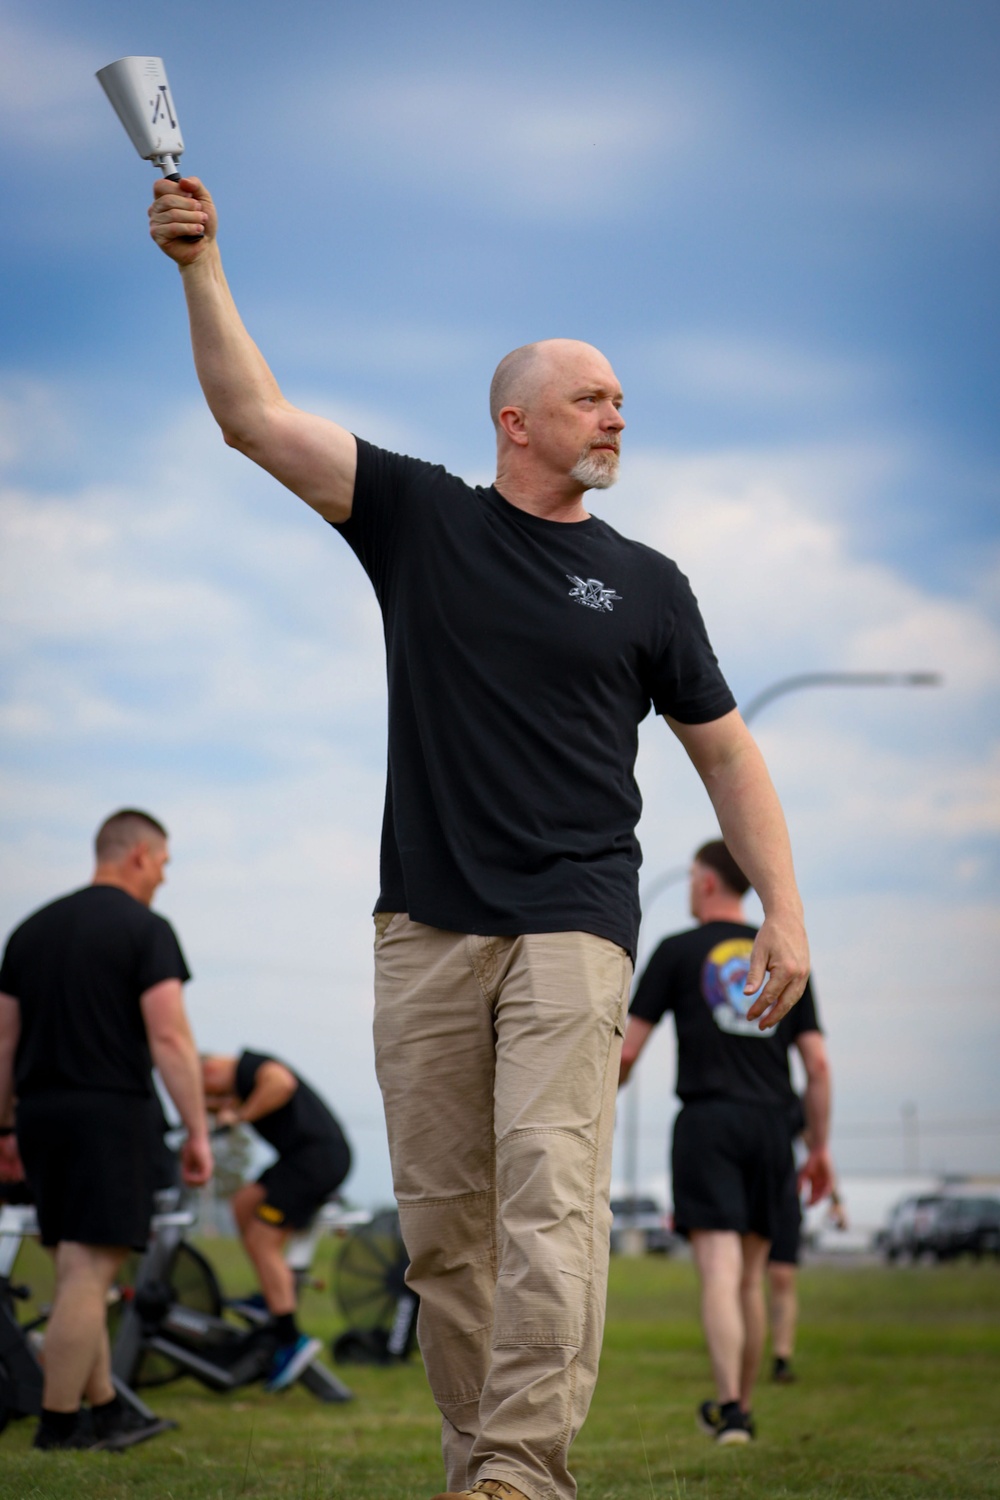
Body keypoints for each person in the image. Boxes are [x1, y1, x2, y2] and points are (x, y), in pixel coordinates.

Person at [147, 176, 811, 1500]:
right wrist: (200, 263)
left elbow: (727, 748)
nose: (619, 411)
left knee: (549, 1204)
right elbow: (250, 417)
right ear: (516, 421)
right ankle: (482, 1469)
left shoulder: (647, 581)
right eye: (592, 396)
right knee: (445, 1233)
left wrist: (784, 914)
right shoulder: (424, 520)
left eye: (623, 396)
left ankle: (519, 1471)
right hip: (425, 930)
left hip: (574, 921)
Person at [0, 809, 213, 1451]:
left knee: (73, 1268)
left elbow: (3, 1041)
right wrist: (198, 1131)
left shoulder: (29, 931)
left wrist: (4, 1127)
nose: (164, 879)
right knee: (90, 1274)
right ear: (140, 856)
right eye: (165, 864)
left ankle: (107, 1410)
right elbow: (170, 1037)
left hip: (39, 1115)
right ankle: (59, 1426)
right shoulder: (145, 930)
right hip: (108, 1114)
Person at [619, 840, 833, 1445]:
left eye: (692, 878)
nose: (690, 888)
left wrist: (594, 1104)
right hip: (773, 1126)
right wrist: (819, 1147)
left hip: (708, 1122)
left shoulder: (678, 952)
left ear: (708, 884)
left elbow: (628, 1049)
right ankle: (743, 1411)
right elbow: (817, 1065)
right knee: (751, 1277)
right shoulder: (786, 954)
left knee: (718, 1268)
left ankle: (730, 1411)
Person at [200, 1050, 352, 1391]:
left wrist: (238, 1116)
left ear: (211, 1069)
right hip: (300, 1160)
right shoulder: (240, 1084)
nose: (210, 1099)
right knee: (242, 1204)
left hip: (315, 1162)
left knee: (261, 1238)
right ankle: (269, 1295)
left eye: (206, 1091)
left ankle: (289, 1335)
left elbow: (281, 1083)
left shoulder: (248, 1066)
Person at [767, 1108, 847, 1384]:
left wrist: (836, 1198)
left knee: (782, 1277)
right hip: (744, 1197)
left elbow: (817, 1148)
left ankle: (781, 1358)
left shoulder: (788, 1102)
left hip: (783, 1198)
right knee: (743, 1278)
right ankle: (737, 1353)